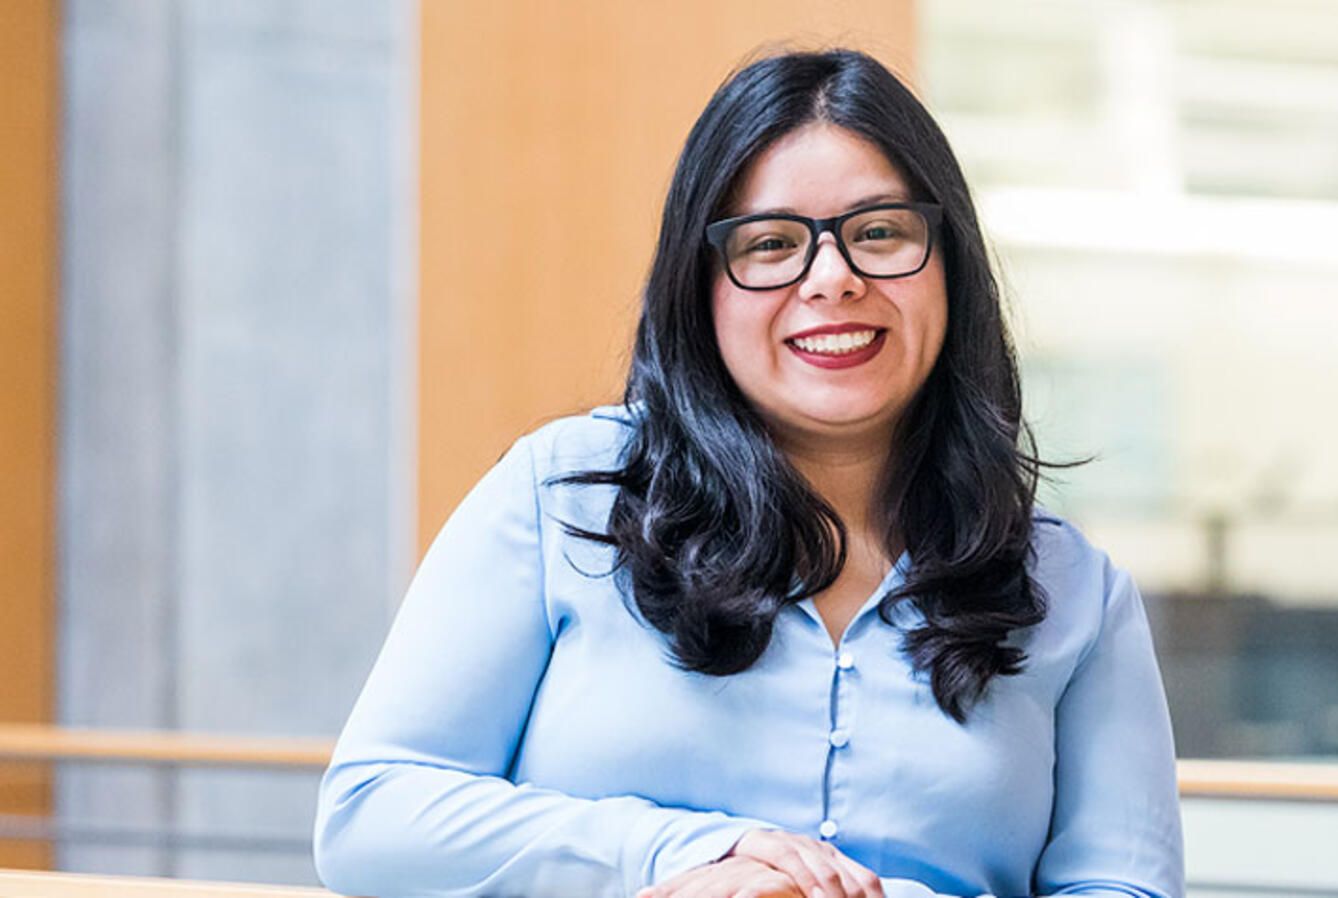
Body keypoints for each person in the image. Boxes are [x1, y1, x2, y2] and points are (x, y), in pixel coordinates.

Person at [313, 49, 1184, 898]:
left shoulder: (1074, 591)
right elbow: (372, 816)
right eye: (771, 244)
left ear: (949, 265)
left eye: (880, 232)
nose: (833, 280)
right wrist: (694, 856)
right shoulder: (563, 497)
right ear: (701, 286)